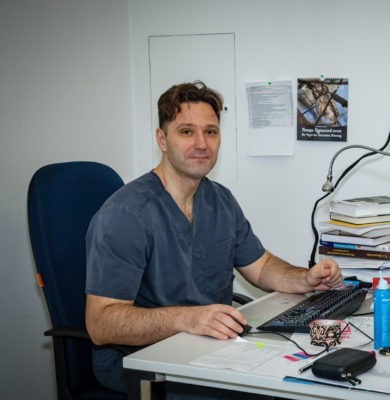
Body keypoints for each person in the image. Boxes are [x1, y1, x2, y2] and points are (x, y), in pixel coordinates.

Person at [84, 81, 343, 397]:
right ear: (162, 139)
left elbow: (260, 267)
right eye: (186, 131)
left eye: (211, 132)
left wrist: (304, 278)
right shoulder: (126, 214)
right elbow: (101, 324)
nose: (201, 143)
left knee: (305, 377)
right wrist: (187, 319)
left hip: (211, 348)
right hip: (143, 364)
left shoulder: (219, 199)